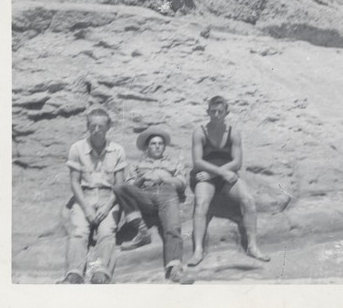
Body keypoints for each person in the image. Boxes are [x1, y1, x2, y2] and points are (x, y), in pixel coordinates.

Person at [187, 95, 270, 266]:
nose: (216, 114)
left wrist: (217, 174)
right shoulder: (199, 132)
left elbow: (237, 162)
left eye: (220, 111)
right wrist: (216, 173)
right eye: (213, 111)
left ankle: (252, 247)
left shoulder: (233, 133)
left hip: (224, 174)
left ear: (226, 113)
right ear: (207, 111)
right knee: (201, 203)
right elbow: (198, 161)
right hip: (206, 174)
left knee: (248, 200)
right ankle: (198, 250)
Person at [60, 108, 127, 284]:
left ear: (108, 127)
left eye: (101, 126)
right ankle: (74, 273)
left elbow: (119, 185)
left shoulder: (117, 150)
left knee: (106, 232)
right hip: (84, 197)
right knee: (79, 231)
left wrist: (106, 208)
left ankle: (100, 271)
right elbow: (75, 182)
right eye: (92, 125)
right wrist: (87, 209)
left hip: (109, 198)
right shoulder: (77, 148)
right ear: (88, 126)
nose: (96, 130)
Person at [113, 128, 187, 283]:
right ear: (147, 147)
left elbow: (182, 183)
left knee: (172, 229)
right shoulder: (137, 165)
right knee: (119, 188)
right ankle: (142, 230)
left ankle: (174, 268)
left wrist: (163, 178)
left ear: (164, 147)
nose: (157, 146)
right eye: (153, 143)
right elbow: (129, 185)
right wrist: (141, 180)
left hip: (168, 194)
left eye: (160, 143)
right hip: (145, 196)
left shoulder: (173, 163)